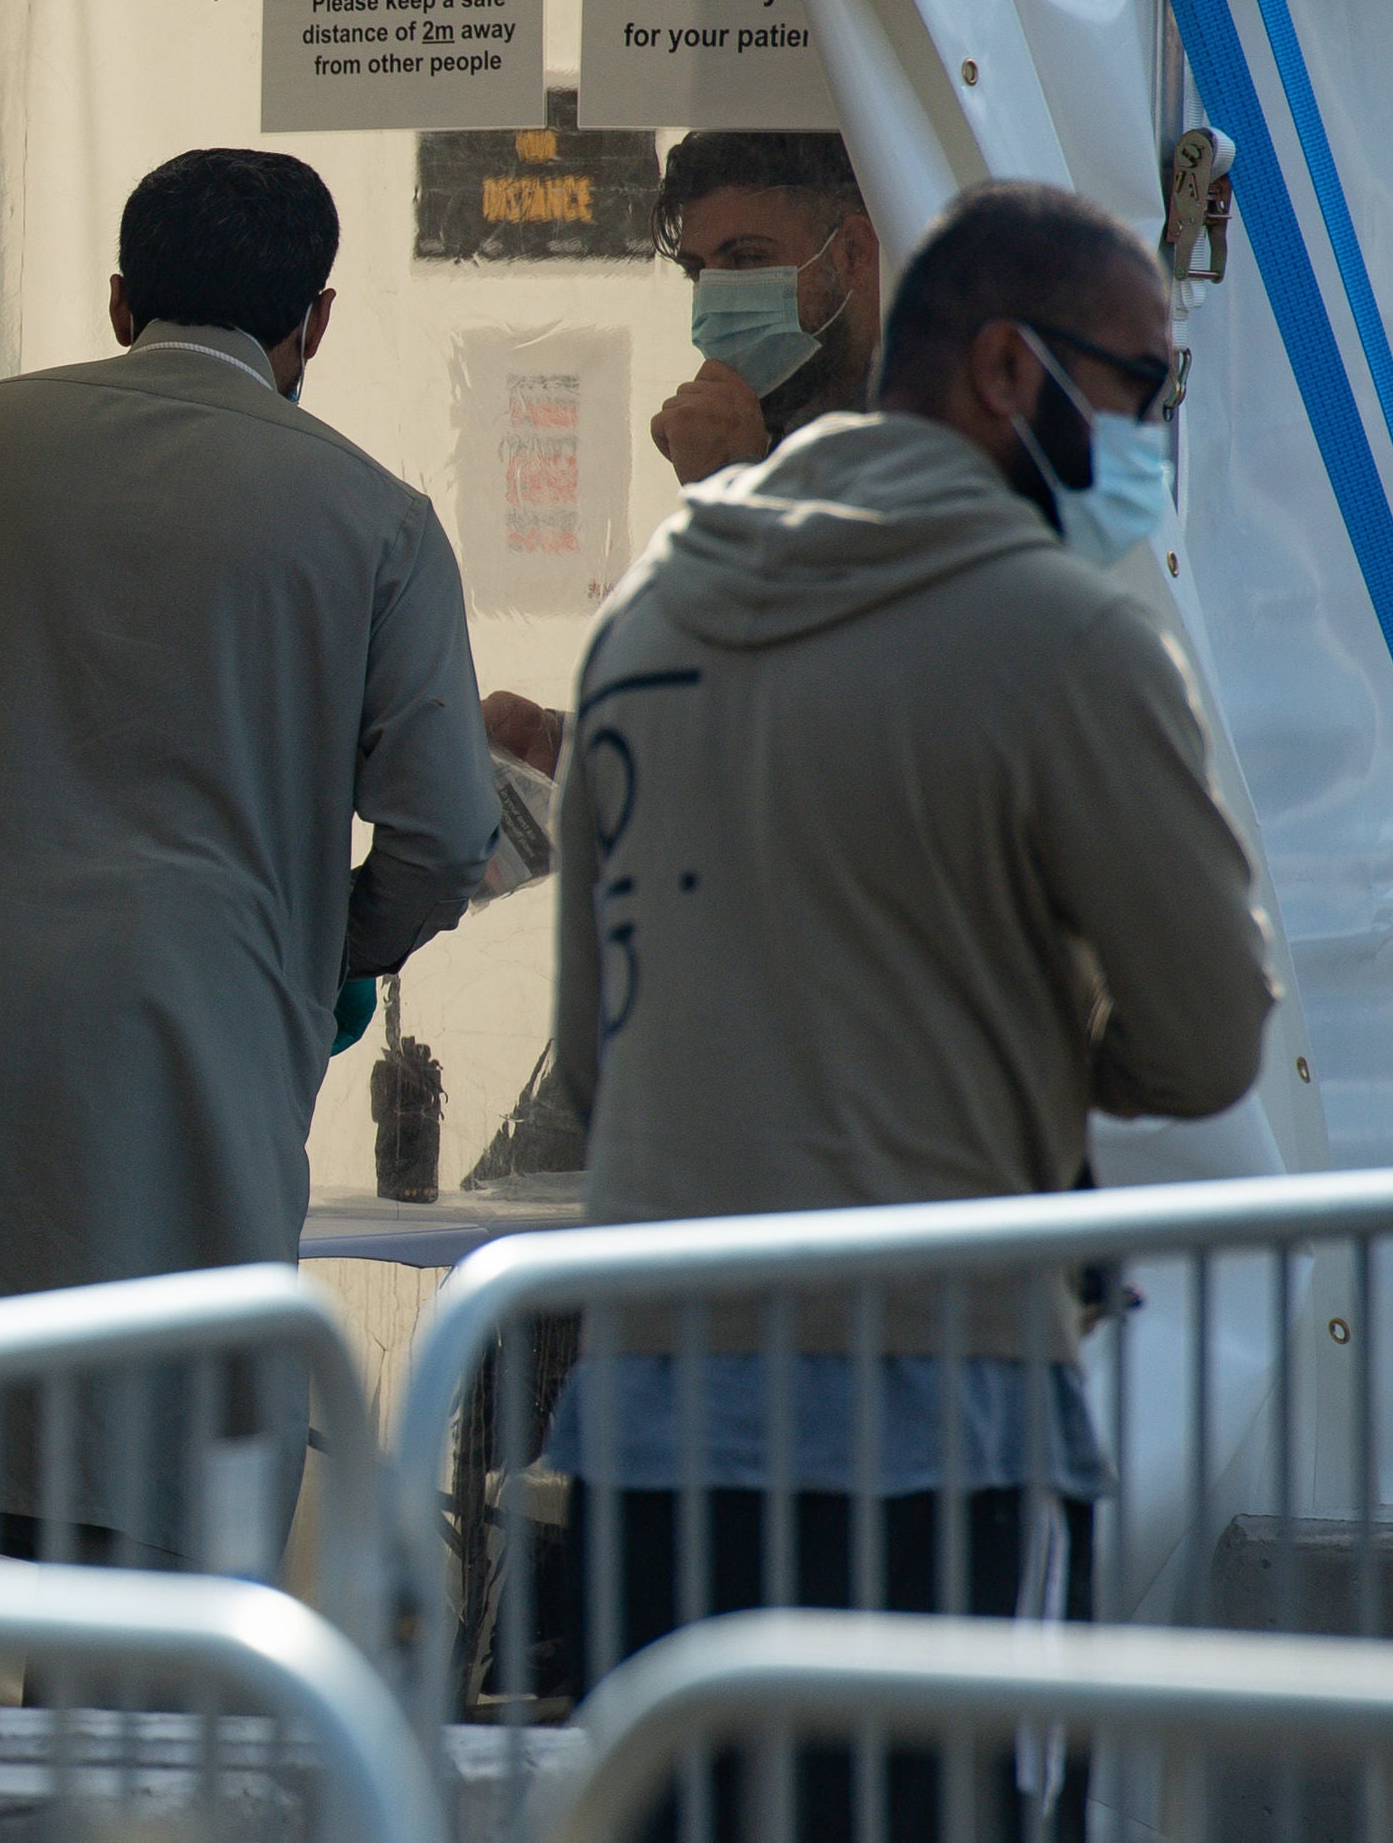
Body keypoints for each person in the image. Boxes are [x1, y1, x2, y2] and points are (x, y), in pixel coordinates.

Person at [507, 181, 1274, 1838]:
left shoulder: (646, 621)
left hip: (654, 1418)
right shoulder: (1069, 637)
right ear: (1011, 368)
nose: (1150, 430)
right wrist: (1012, 1032)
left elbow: (597, 1049)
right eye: (1146, 384)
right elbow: (1209, 1035)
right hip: (937, 1414)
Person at [0, 146, 501, 1563]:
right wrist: (315, 944)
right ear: (317, 322)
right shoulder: (374, 519)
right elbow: (444, 834)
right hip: (189, 1043)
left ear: (120, 300)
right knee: (144, 1527)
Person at [646, 130, 882, 487]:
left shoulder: (943, 427)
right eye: (697, 271)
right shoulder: (786, 424)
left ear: (853, 252)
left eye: (748, 258)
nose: (716, 304)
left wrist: (729, 480)